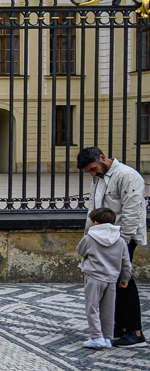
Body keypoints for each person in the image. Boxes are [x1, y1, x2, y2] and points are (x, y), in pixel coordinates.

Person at [79, 145, 146, 346]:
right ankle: (120, 327)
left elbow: (132, 212)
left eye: (93, 168)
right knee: (112, 282)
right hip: (104, 238)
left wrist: (121, 243)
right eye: (89, 171)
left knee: (124, 281)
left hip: (120, 238)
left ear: (102, 157)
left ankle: (136, 331)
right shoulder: (99, 177)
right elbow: (95, 209)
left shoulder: (128, 176)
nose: (92, 173)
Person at [78, 207, 133, 349]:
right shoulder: (120, 240)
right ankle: (108, 338)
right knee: (108, 310)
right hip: (112, 279)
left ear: (95, 223)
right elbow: (126, 262)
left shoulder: (90, 238)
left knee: (92, 307)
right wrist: (125, 278)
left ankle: (97, 337)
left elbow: (80, 250)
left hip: (94, 277)